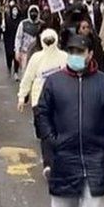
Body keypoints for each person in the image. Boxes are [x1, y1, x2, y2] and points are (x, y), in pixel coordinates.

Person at [35, 34, 104, 207]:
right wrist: (53, 140)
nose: (75, 55)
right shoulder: (55, 82)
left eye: (80, 52)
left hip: (94, 160)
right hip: (64, 160)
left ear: (90, 54)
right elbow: (42, 113)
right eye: (72, 51)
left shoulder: (103, 82)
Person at [18, 28, 69, 175]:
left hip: (58, 101)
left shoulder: (65, 57)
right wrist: (22, 95)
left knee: (52, 133)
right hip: (41, 101)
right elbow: (28, 77)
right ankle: (50, 163)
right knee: (45, 133)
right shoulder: (36, 58)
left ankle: (52, 161)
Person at [15, 5, 43, 75]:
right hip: (25, 52)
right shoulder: (23, 23)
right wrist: (17, 51)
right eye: (32, 12)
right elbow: (18, 38)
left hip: (37, 53)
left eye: (35, 12)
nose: (33, 14)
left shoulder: (42, 25)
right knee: (25, 73)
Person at [4, 0, 23, 80]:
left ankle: (16, 72)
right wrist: (3, 28)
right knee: (9, 55)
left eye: (16, 10)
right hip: (8, 40)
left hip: (17, 40)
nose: (15, 11)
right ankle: (9, 67)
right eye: (13, 10)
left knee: (16, 56)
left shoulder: (20, 21)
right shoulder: (7, 20)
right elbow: (4, 31)